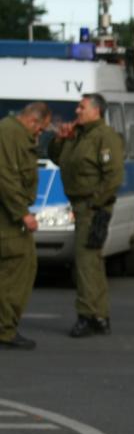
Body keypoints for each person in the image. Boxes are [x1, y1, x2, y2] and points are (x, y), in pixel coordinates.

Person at [48, 93, 124, 338]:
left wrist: (94, 203)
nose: (77, 111)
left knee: (85, 263)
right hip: (81, 206)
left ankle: (87, 315)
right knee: (92, 263)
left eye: (82, 107)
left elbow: (113, 177)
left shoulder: (104, 136)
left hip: (92, 208)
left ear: (96, 110)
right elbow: (57, 157)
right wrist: (60, 140)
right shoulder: (79, 135)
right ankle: (99, 316)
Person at [0, 102, 51, 350]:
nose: (38, 135)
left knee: (18, 269)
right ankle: (5, 330)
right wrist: (22, 213)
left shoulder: (10, 132)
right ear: (32, 121)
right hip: (8, 219)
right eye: (39, 130)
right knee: (17, 272)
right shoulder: (10, 134)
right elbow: (5, 176)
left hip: (9, 216)